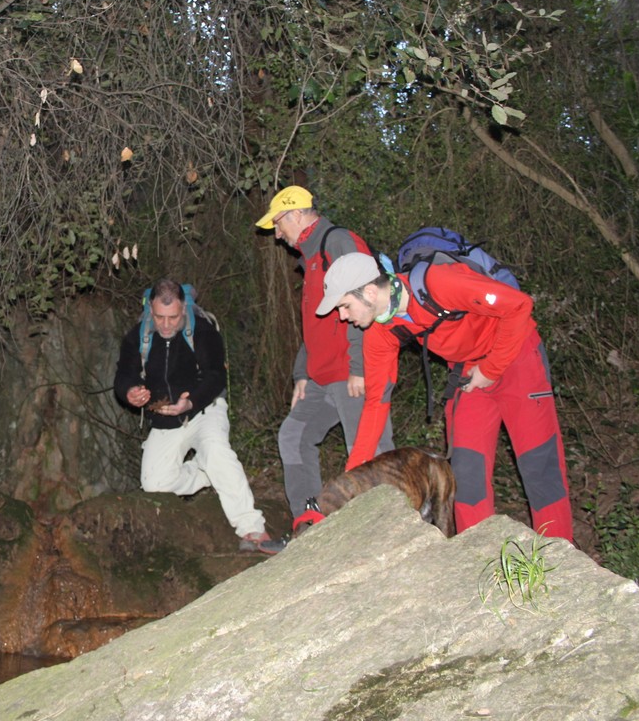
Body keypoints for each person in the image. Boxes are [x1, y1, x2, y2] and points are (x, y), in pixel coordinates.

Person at [317, 251, 574, 541]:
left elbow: (519, 305)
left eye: (345, 306)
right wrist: (352, 478)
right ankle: (478, 557)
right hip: (468, 373)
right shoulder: (381, 332)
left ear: (370, 292)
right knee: (465, 476)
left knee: (539, 466)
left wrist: (490, 368)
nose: (342, 316)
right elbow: (376, 403)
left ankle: (557, 557)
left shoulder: (439, 282)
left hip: (517, 356)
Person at [113, 279, 284, 555]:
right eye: (159, 317)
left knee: (216, 450)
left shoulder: (202, 331)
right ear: (150, 310)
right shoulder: (138, 336)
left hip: (205, 409)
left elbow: (216, 376)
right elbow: (124, 375)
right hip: (165, 418)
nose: (165, 325)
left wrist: (190, 401)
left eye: (173, 317)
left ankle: (252, 528)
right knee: (155, 484)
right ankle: (208, 471)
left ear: (183, 309)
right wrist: (130, 392)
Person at [255, 186, 394, 523]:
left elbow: (368, 303)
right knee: (293, 436)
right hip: (321, 376)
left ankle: (389, 528)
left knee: (368, 454)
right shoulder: (312, 257)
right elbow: (316, 323)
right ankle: (310, 524)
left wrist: (359, 366)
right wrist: (302, 373)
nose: (277, 234)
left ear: (296, 214)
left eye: (278, 223)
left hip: (350, 372)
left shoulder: (338, 242)